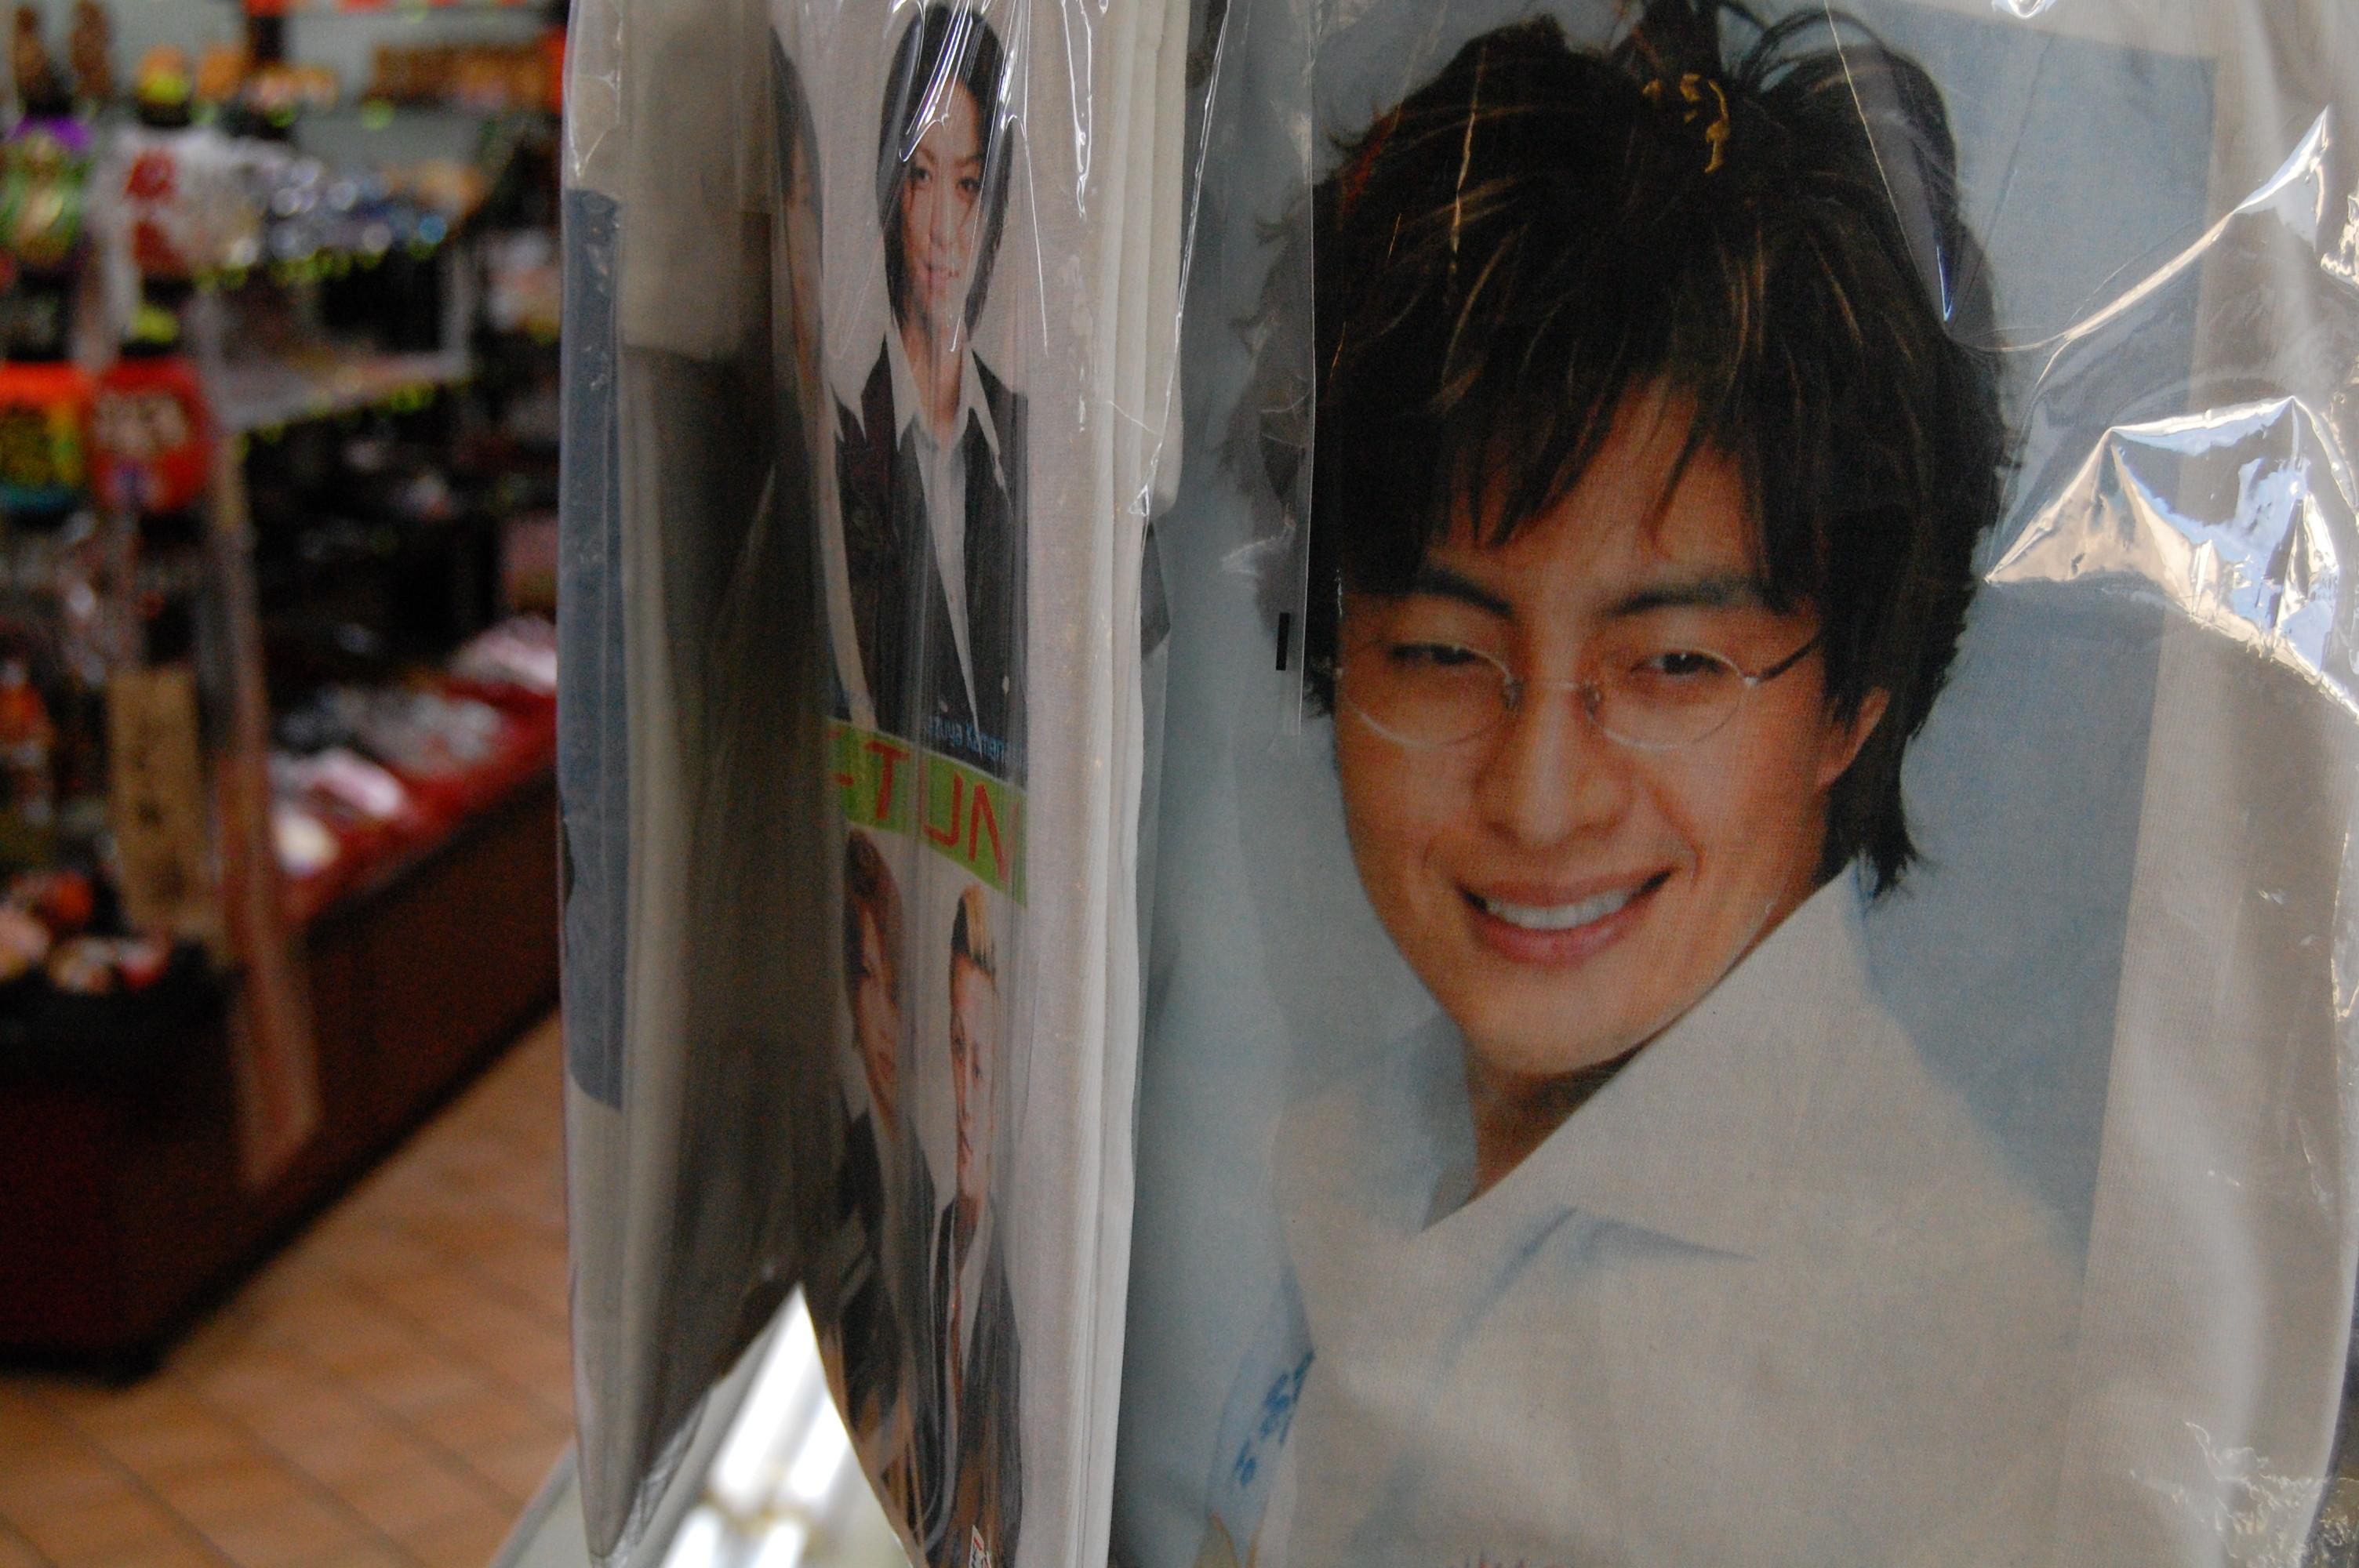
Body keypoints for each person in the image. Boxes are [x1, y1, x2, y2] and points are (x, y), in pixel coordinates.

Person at [1205, 7, 2085, 1565]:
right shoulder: (1353, 1138)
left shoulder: (1941, 1364)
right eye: (1439, 652)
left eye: (1674, 664)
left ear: (1853, 700)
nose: (1540, 801)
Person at [836, 2, 1027, 783]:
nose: (945, 228)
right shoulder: (848, 445)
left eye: (969, 183)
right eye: (921, 175)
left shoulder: (1026, 442)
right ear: (890, 189)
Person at [827, 831, 936, 1519]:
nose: (886, 1018)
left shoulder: (931, 1170)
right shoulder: (844, 1172)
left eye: (896, 981)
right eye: (868, 976)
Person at [921, 884, 1023, 1568]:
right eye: (958, 1048)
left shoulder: (1017, 1293)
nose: (966, 1091)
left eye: (983, 1063)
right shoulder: (938, 1244)